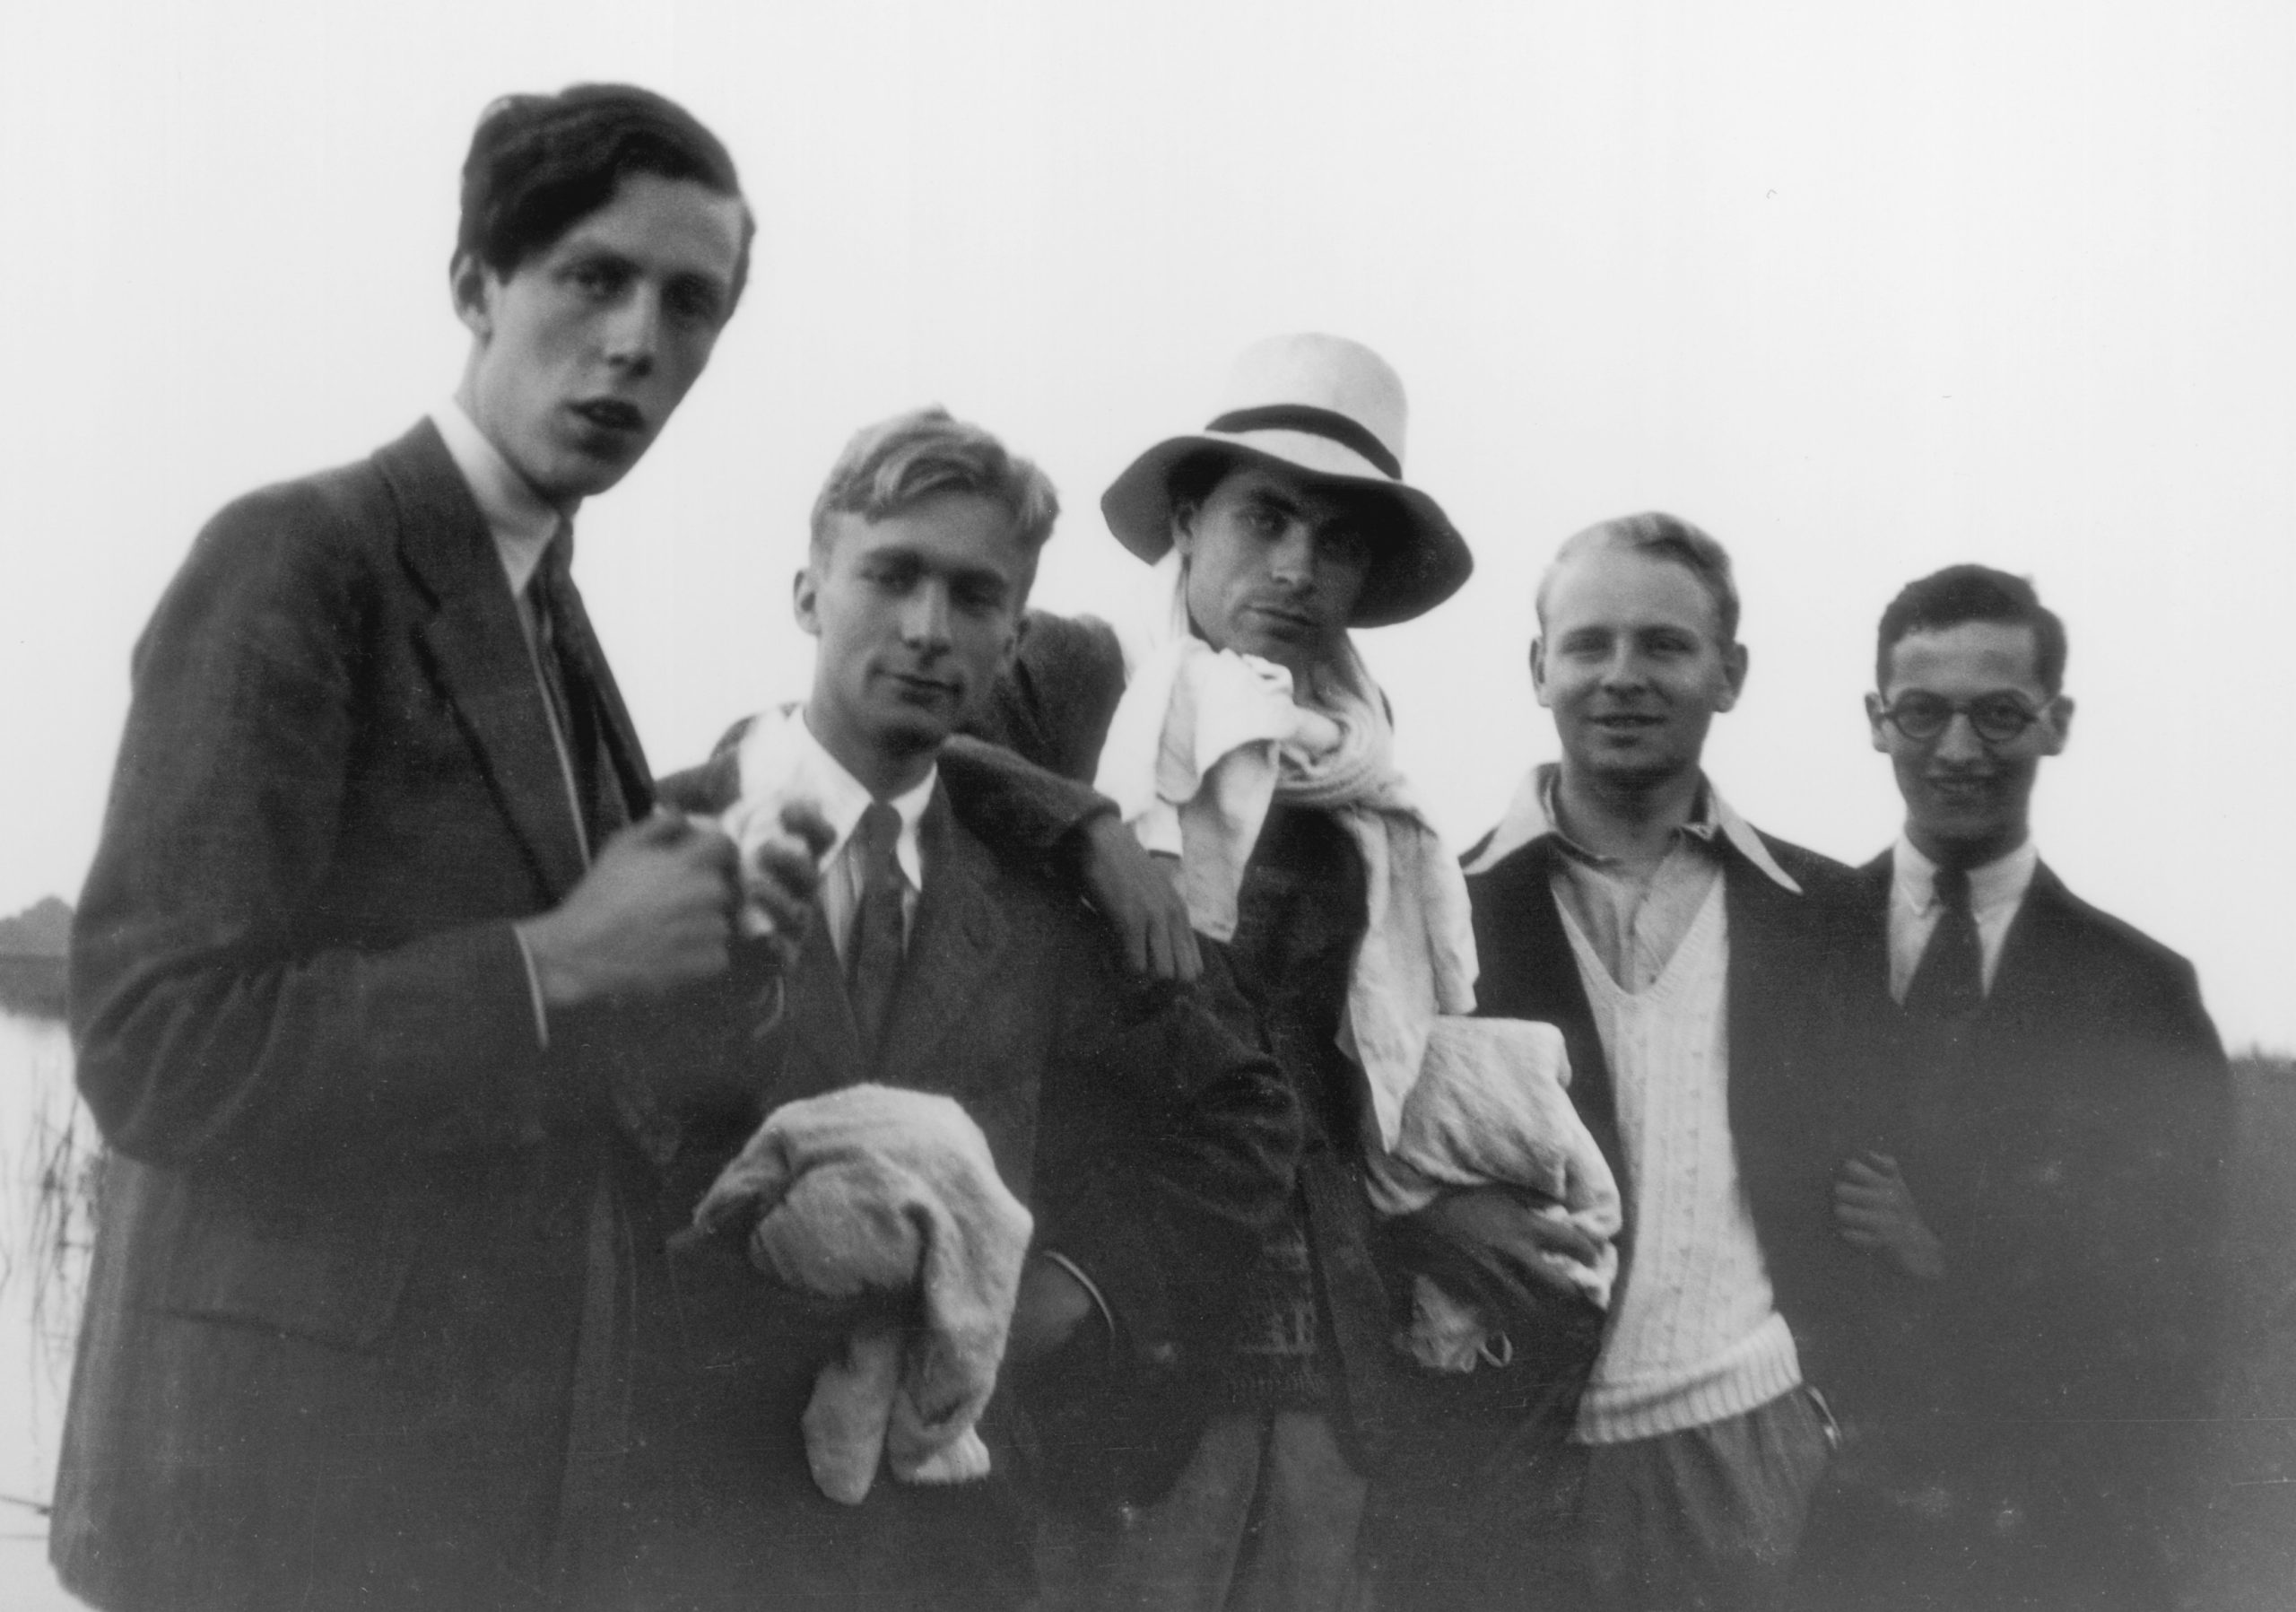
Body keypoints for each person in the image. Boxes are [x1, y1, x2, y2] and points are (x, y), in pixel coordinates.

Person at [49, 85, 817, 1611]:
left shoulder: (551, 616)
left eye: (692, 304)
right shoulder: (299, 557)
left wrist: (717, 955)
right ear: (475, 284)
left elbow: (565, 1066)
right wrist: (557, 957)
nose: (637, 341)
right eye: (592, 277)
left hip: (489, 1500)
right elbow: (150, 1050)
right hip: (272, 1511)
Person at [618, 407, 1300, 1612]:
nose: (930, 629)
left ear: (1014, 636)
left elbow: (1245, 1115)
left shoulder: (1042, 893)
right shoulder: (643, 846)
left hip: (949, 1539)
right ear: (807, 591)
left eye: (976, 598)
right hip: (677, 1516)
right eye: (892, 576)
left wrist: (1053, 1298)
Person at [1455, 512, 1879, 1611]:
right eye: (1588, 644)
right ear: (1537, 667)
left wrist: (1824, 1416)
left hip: (1757, 1458)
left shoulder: (1829, 914)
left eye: (1665, 645)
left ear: (1727, 675)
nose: (1622, 676)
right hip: (1507, 1468)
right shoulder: (1436, 907)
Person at [1797, 564, 2232, 1611]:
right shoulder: (1783, 946)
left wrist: (1943, 1252)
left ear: (2056, 722)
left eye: (1998, 715)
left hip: (2056, 1541)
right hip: (1820, 1541)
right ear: (1875, 721)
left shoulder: (2145, 995)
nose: (1957, 751)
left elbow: (2174, 1308)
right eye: (1922, 712)